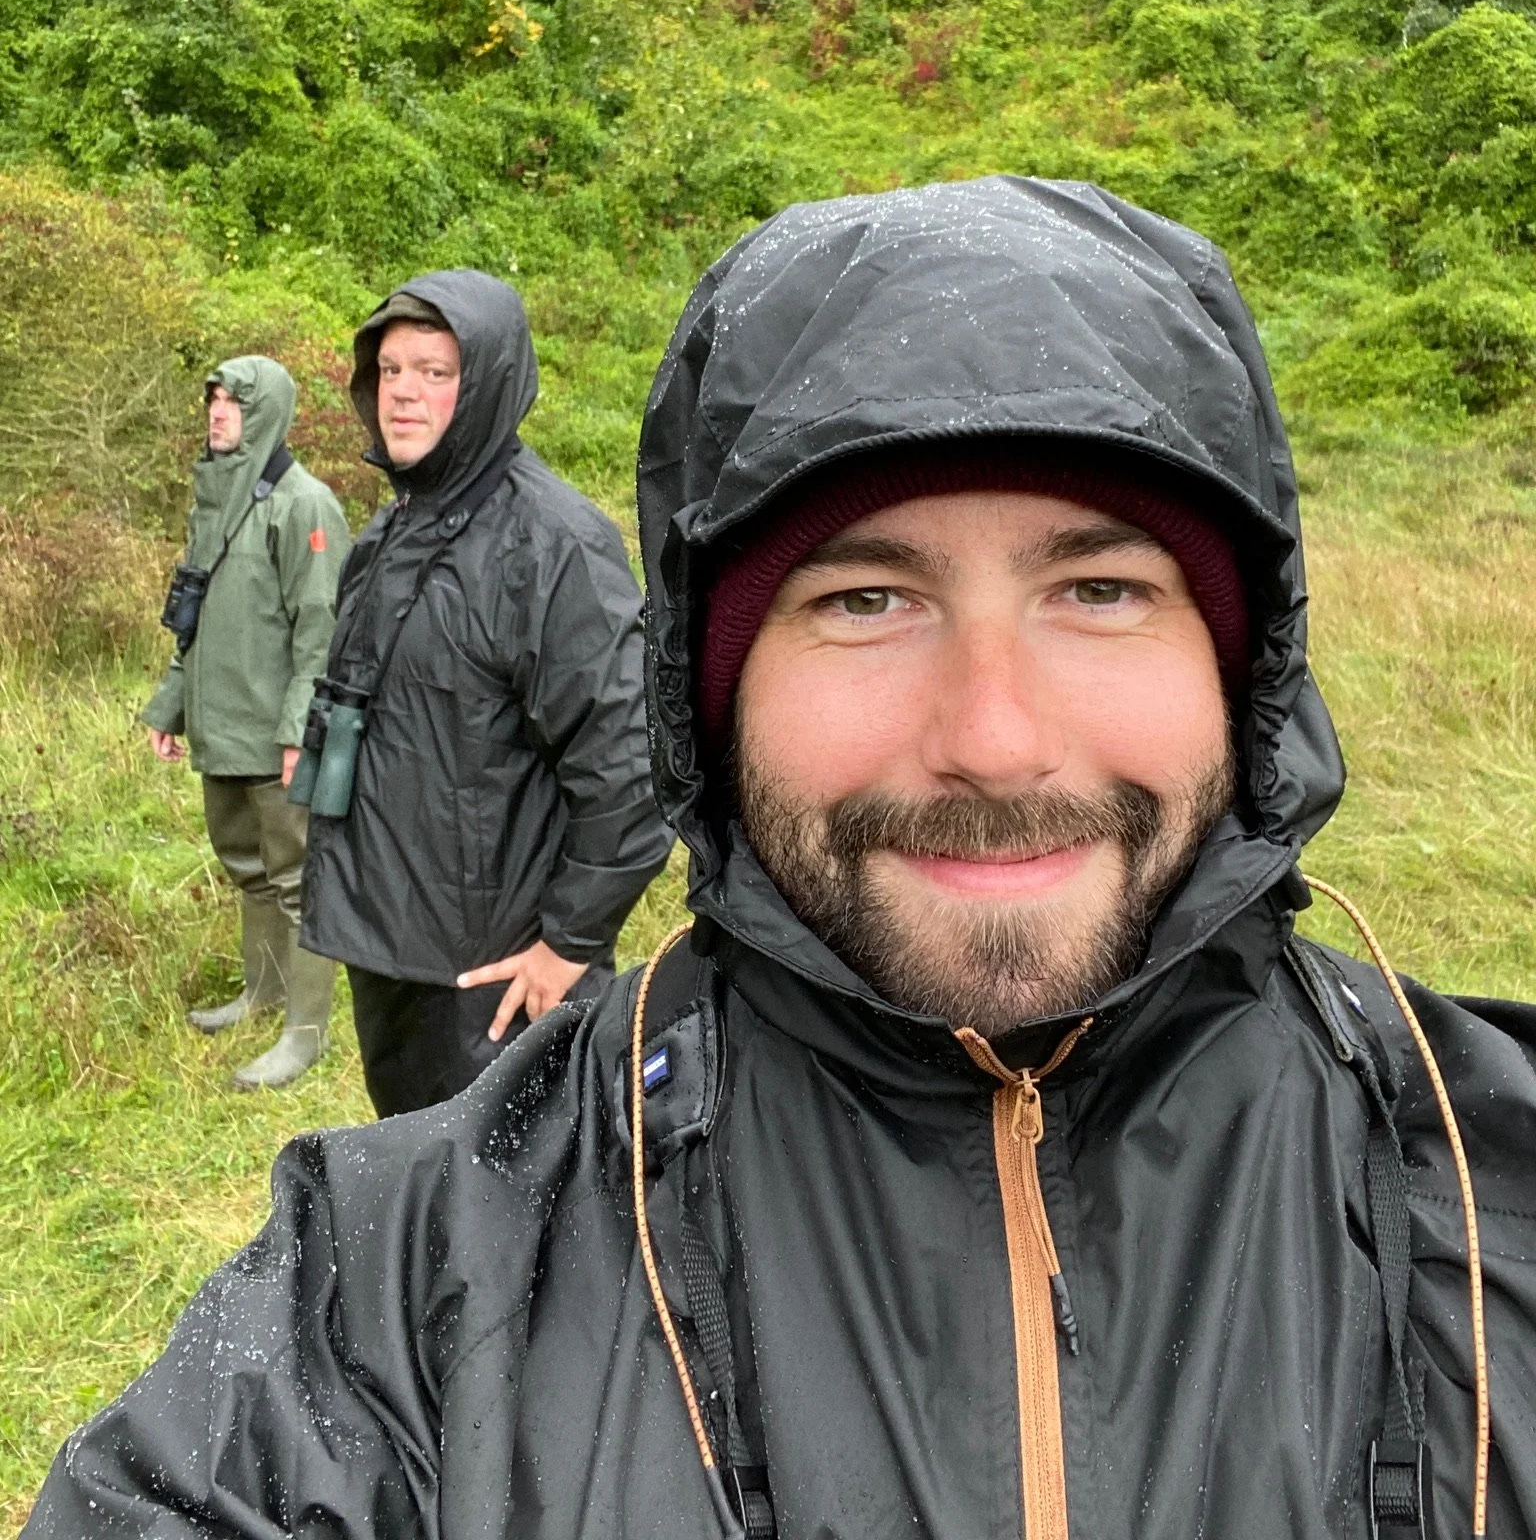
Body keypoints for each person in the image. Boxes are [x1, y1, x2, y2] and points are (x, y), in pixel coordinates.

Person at [29, 179, 1536, 1538]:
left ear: (1243, 663)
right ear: (714, 685)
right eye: (865, 601)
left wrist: (563, 923)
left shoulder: (1495, 1205)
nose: (995, 740)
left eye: (1100, 587)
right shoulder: (395, 1298)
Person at [296, 268, 673, 1117]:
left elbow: (632, 761)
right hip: (391, 953)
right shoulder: (393, 529)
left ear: (488, 383)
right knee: (424, 1191)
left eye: (435, 372)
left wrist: (567, 944)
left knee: (520, 1219)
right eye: (391, 371)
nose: (403, 394)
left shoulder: (554, 545)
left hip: (495, 983)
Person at [141, 355, 347, 1090]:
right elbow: (191, 619)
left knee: (298, 878)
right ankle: (263, 995)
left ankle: (306, 1033)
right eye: (214, 401)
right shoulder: (214, 501)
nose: (218, 413)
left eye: (234, 403)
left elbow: (322, 631)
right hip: (221, 729)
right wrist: (171, 707)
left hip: (275, 737)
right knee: (247, 868)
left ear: (266, 414)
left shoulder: (305, 504)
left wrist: (299, 731)